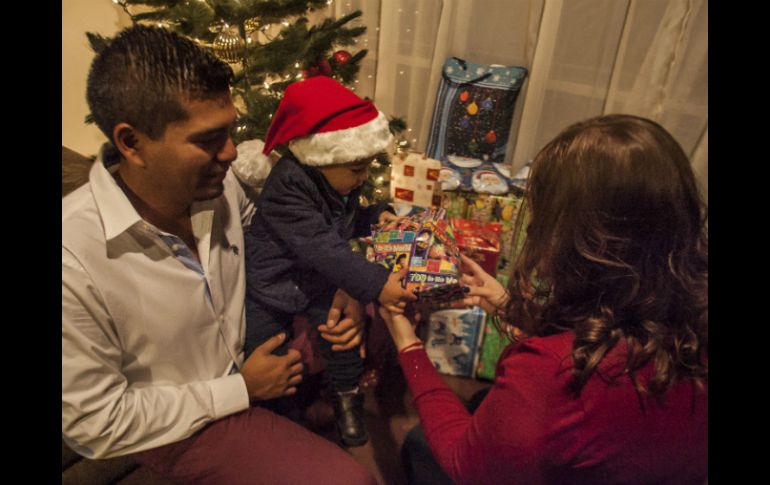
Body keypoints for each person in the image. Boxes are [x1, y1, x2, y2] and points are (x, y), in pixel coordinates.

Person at [62, 25, 377, 485]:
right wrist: (239, 389)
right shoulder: (73, 259)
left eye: (229, 131)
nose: (231, 152)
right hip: (183, 421)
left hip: (256, 353)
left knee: (380, 308)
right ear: (131, 144)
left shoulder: (214, 182)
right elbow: (96, 424)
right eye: (208, 140)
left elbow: (268, 238)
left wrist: (344, 283)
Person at [379, 114, 708, 484]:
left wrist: (408, 346)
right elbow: (610, 331)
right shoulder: (686, 316)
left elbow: (464, 464)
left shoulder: (548, 374)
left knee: (420, 446)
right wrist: (505, 302)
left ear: (576, 241)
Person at [242, 76, 417, 446]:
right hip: (271, 284)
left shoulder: (337, 178)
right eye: (357, 171)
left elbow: (345, 222)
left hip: (314, 278)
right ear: (322, 157)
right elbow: (323, 245)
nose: (364, 178)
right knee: (266, 345)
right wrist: (376, 284)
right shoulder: (288, 185)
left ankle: (346, 398)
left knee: (341, 336)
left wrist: (378, 217)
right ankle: (285, 417)